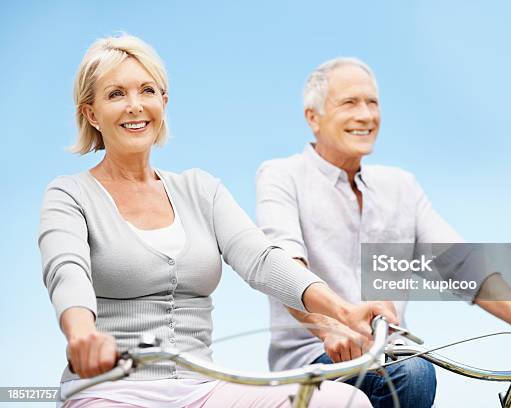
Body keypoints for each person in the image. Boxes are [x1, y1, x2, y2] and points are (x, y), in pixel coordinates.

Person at [38, 36, 393, 408]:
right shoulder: (69, 195)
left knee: (342, 401)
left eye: (147, 90)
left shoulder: (200, 189)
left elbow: (262, 259)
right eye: (115, 94)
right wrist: (81, 334)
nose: (135, 106)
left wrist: (342, 310)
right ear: (91, 113)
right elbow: (67, 272)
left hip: (202, 389)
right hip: (109, 390)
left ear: (163, 102)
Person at [255, 57, 511, 408]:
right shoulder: (281, 175)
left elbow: (463, 266)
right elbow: (283, 268)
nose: (366, 115)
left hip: (392, 354)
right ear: (313, 118)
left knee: (411, 368)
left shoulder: (401, 187)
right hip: (315, 359)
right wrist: (326, 326)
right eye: (349, 103)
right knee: (414, 373)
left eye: (373, 102)